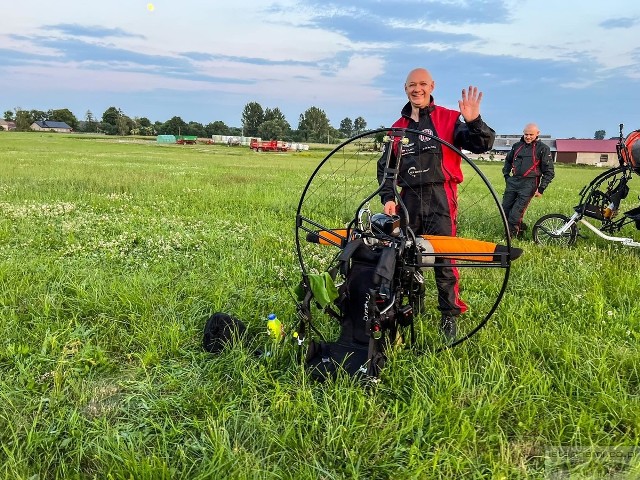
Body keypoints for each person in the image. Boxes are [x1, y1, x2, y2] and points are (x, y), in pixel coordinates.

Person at [376, 68, 495, 342]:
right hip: (408, 200)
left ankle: (449, 315)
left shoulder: (449, 119)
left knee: (444, 256)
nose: (416, 89)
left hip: (441, 196)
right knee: (405, 254)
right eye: (411, 85)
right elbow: (386, 169)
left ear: (431, 86)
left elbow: (481, 144)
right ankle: (412, 302)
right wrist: (389, 197)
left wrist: (474, 120)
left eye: (421, 84)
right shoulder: (398, 127)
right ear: (405, 89)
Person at [501, 123, 554, 238]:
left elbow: (549, 172)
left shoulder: (543, 149)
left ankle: (511, 237)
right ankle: (520, 227)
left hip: (529, 184)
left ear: (537, 134)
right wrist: (506, 176)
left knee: (516, 213)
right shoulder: (516, 146)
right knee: (505, 209)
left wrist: (541, 189)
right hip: (513, 182)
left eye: (531, 134)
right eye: (526, 134)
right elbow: (508, 160)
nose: (528, 137)